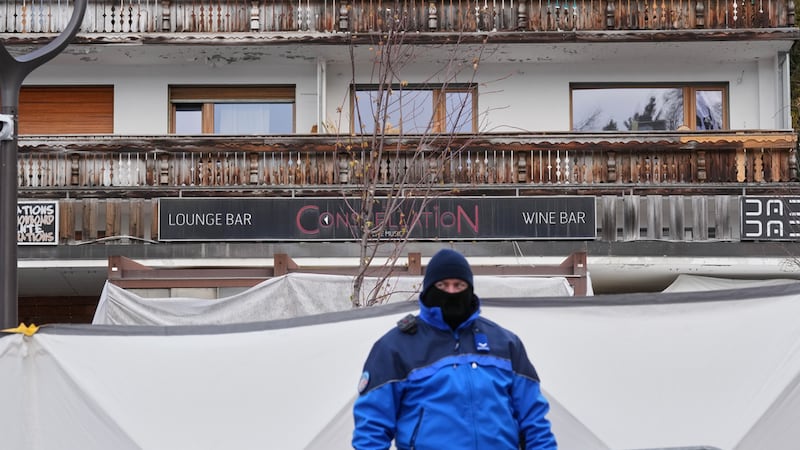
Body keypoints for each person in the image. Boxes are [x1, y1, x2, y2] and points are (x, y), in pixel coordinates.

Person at [352, 248, 557, 449]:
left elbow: (535, 422)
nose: (450, 292)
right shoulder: (394, 347)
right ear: (428, 288)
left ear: (470, 289)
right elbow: (371, 431)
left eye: (459, 285)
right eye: (442, 285)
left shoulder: (505, 343)